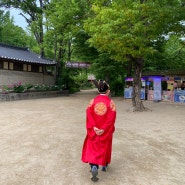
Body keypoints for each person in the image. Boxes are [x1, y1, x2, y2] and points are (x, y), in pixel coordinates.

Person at [81, 80, 117, 182]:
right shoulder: (111, 103)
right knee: (105, 146)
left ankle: (94, 166)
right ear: (108, 91)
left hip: (94, 130)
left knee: (93, 147)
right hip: (105, 131)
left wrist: (94, 127)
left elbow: (89, 114)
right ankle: (104, 165)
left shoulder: (92, 101)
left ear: (98, 90)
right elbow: (111, 118)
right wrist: (104, 128)